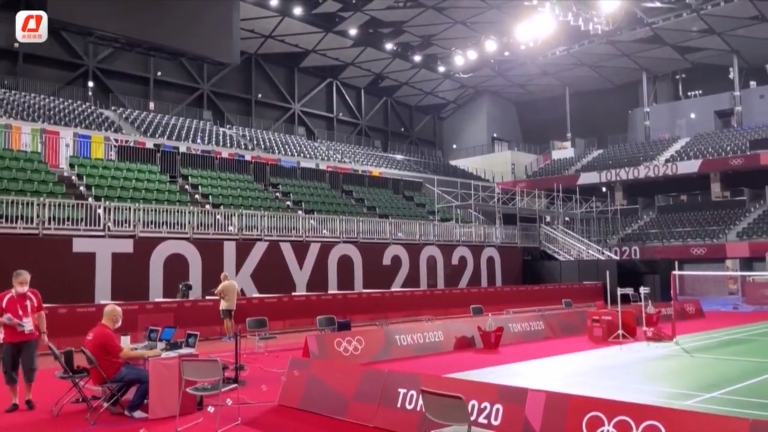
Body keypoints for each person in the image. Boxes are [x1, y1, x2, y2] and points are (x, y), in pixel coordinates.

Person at [84, 304, 161, 419]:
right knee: (149, 377)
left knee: (133, 375)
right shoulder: (105, 333)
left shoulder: (95, 331)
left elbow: (114, 351)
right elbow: (124, 355)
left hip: (102, 371)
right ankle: (132, 409)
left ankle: (110, 401)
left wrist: (128, 349)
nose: (122, 319)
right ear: (114, 317)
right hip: (110, 373)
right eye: (121, 316)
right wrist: (147, 353)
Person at [0, 270, 46, 413]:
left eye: (26, 283)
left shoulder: (34, 294)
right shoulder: (3, 297)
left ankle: (28, 398)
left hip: (30, 338)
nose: (24, 286)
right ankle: (14, 401)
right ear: (13, 282)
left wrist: (44, 332)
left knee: (29, 367)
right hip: (10, 339)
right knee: (9, 370)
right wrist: (6, 322)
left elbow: (40, 313)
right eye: (21, 283)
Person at [215, 273, 238, 341]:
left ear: (222, 278)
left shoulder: (223, 284)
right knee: (231, 319)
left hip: (225, 305)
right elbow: (239, 293)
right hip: (232, 304)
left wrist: (222, 297)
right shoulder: (234, 283)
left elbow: (216, 292)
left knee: (226, 320)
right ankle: (232, 335)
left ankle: (228, 336)